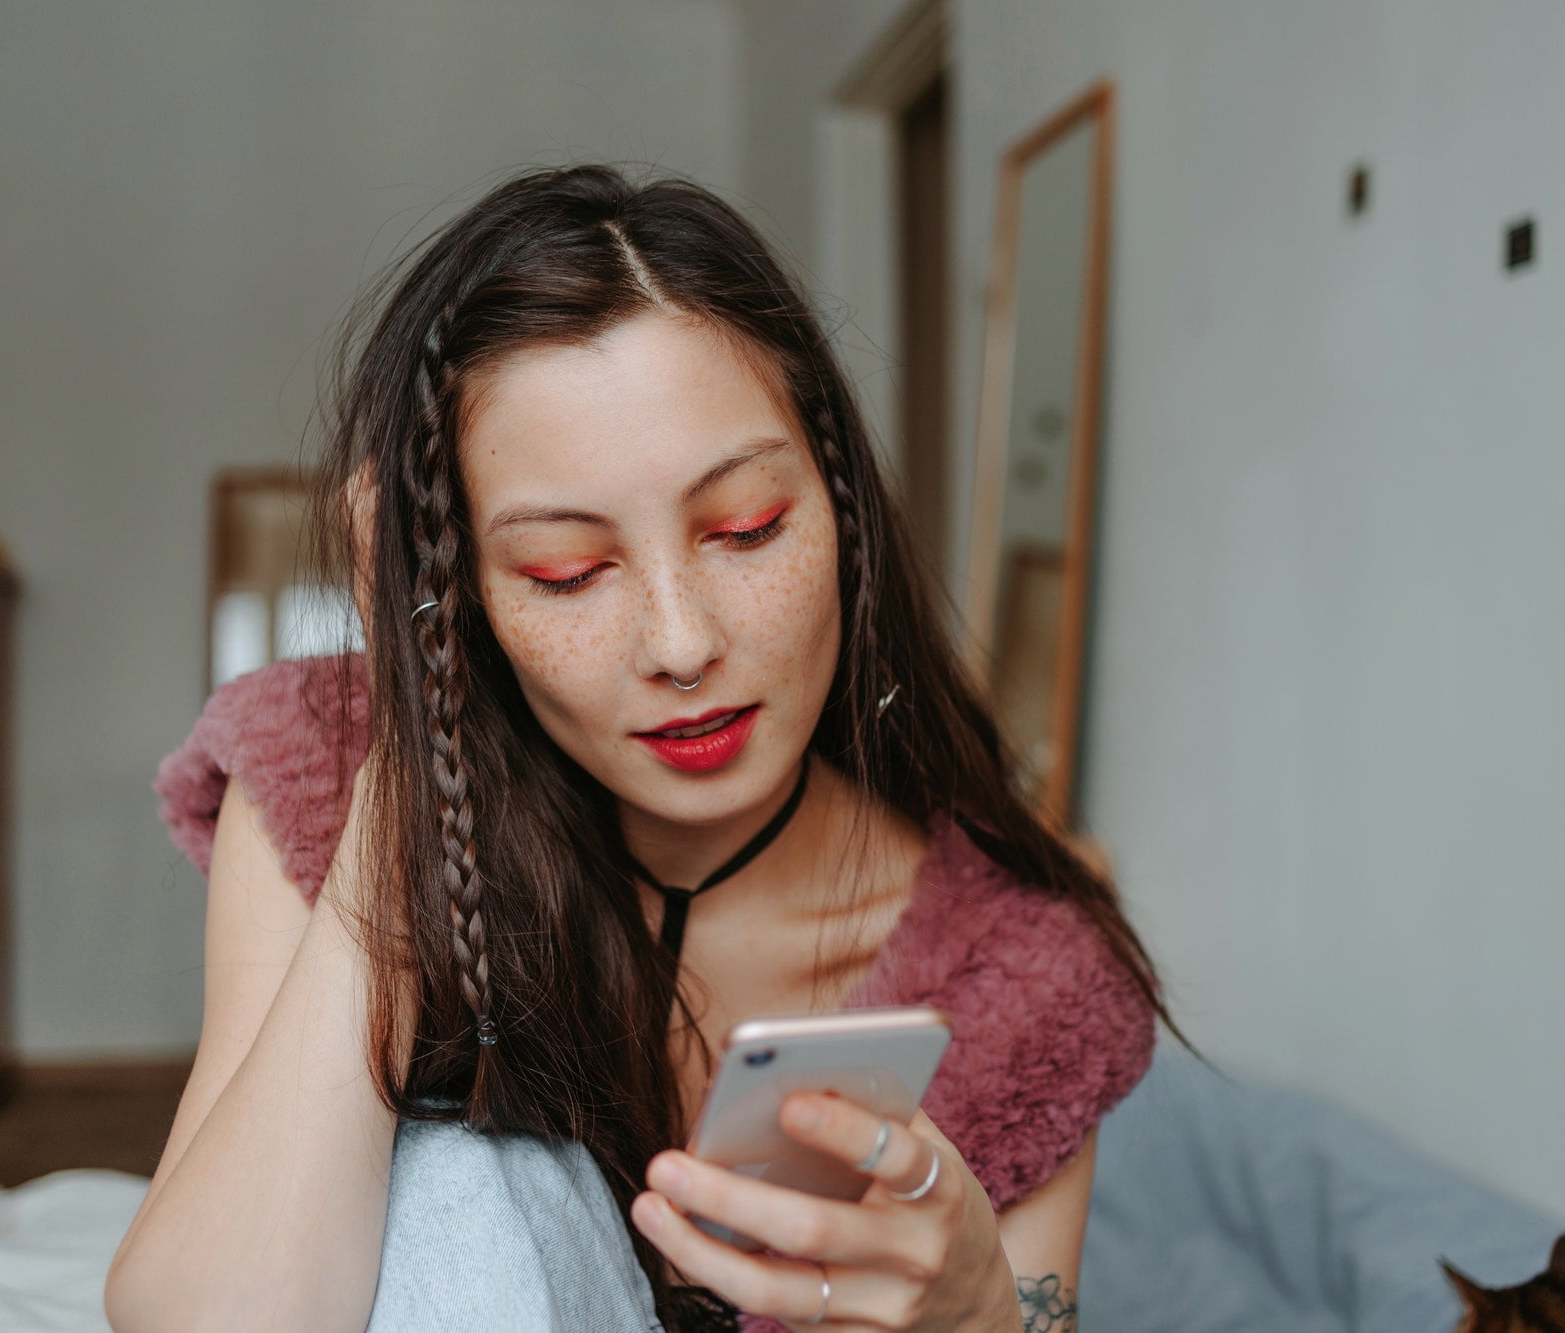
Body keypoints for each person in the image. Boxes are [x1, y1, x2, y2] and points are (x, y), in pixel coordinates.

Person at [106, 163, 1177, 1332]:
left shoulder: (1019, 978)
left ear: (840, 510)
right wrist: (411, 749)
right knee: (459, 1177)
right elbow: (210, 1317)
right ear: (457, 591)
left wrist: (981, 1311)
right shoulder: (321, 765)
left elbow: (1030, 1308)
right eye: (566, 572)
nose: (679, 643)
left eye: (745, 529)